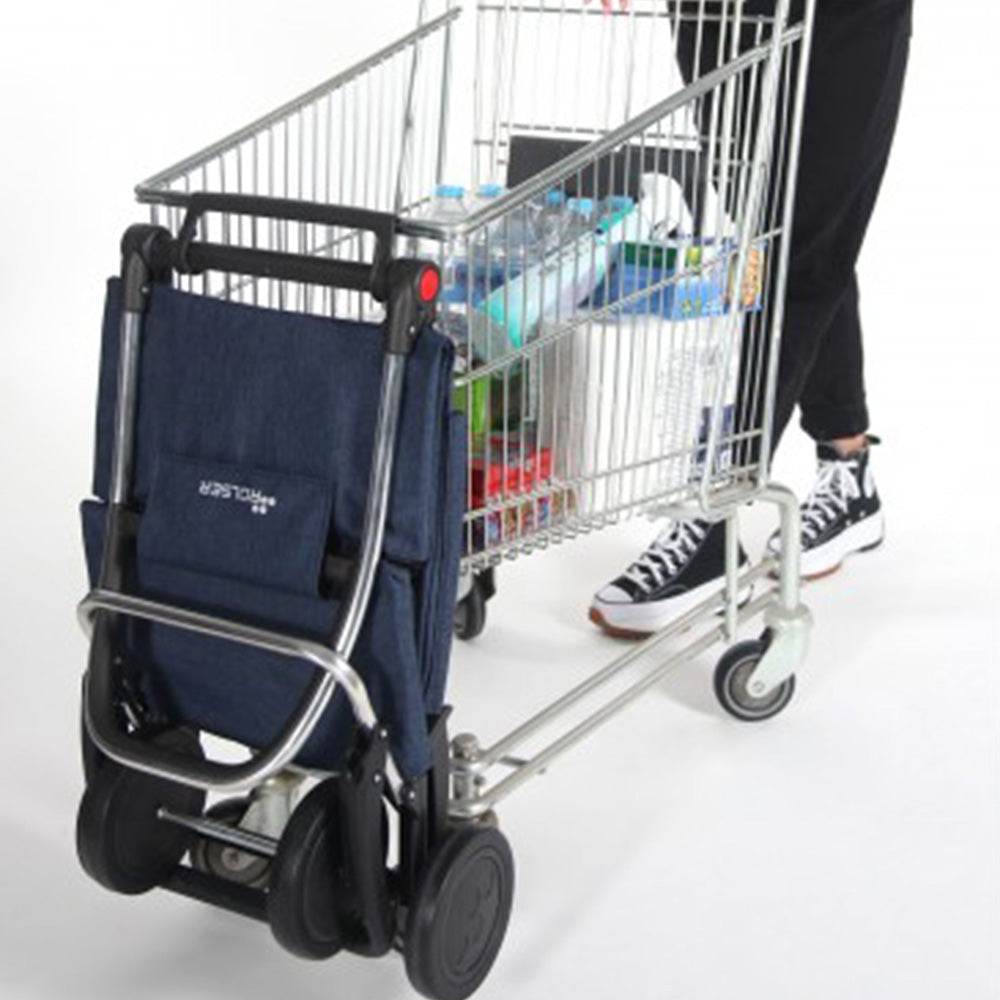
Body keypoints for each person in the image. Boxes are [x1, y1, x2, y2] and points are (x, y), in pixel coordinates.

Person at [585, 0, 912, 638]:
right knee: (777, 230)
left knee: (802, 242)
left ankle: (716, 509)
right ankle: (848, 462)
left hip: (848, 16)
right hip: (722, 11)